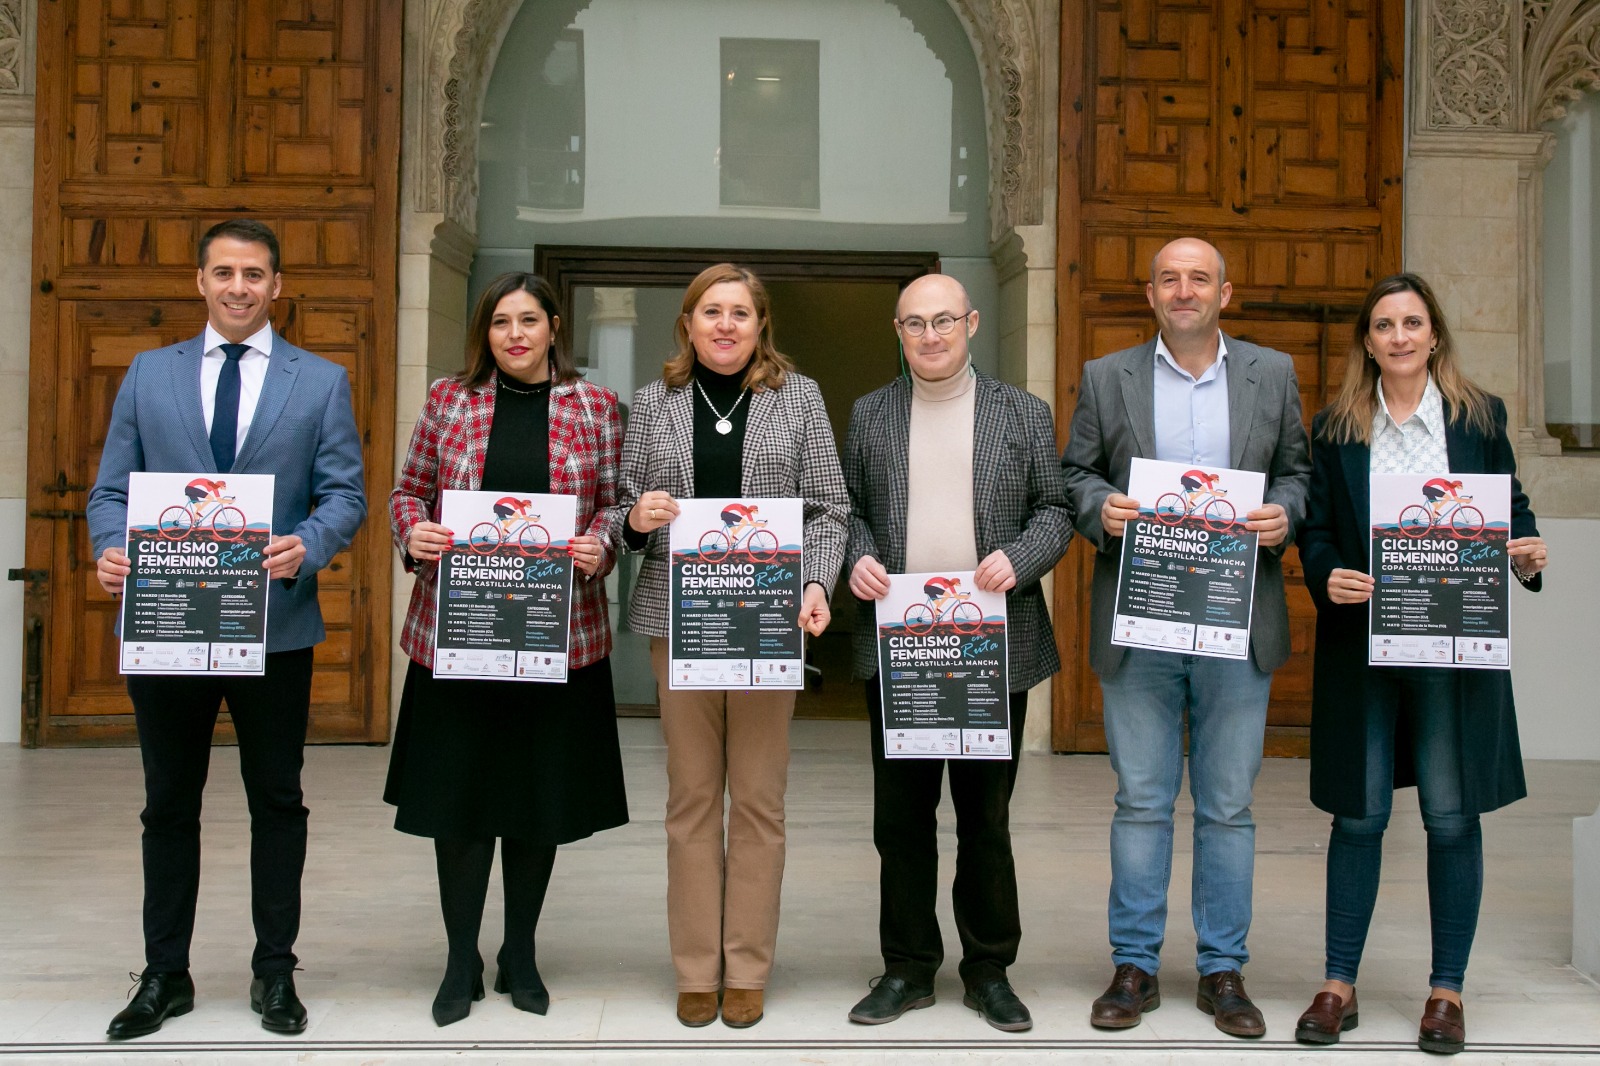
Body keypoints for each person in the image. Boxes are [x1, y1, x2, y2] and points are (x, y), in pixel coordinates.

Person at [87, 219, 367, 1039]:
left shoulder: (320, 382)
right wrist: (111, 550)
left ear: (278, 286)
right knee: (167, 804)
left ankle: (274, 973)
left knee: (277, 802)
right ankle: (164, 974)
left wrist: (307, 545)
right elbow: (111, 492)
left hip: (275, 628)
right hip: (168, 626)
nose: (239, 286)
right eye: (223, 272)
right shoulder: (148, 373)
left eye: (254, 274)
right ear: (199, 281)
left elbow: (344, 495)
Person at [1060, 237, 1310, 1038]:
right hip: (1142, 616)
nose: (1184, 289)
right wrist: (1101, 507)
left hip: (1238, 622)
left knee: (1229, 805)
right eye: (1169, 277)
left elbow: (1299, 473)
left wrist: (1286, 515)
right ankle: (1133, 964)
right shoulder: (1109, 377)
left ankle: (1221, 970)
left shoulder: (1271, 374)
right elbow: (1074, 473)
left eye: (1198, 278)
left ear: (1225, 293)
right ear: (1150, 292)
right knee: (1141, 799)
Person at [1293, 273, 1548, 1055]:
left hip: (1455, 648)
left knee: (1450, 812)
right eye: (1383, 326)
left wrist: (1527, 557)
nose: (1399, 337)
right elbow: (1319, 530)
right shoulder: (1336, 426)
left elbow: (1512, 510)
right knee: (1360, 814)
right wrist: (1325, 570)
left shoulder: (1479, 417)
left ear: (1434, 334)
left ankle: (1447, 990)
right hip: (1364, 645)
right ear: (1366, 343)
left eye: (1412, 323)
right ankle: (1339, 983)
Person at [607, 263, 847, 1029]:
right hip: (679, 627)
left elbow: (830, 510)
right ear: (687, 323)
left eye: (740, 312)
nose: (725, 325)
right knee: (690, 802)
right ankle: (694, 968)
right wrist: (638, 515)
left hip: (769, 625)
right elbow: (620, 507)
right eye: (711, 311)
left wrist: (815, 584)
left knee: (759, 803)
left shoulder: (798, 397)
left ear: (760, 323)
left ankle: (746, 966)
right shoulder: (654, 403)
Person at [385, 272, 629, 1026]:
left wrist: (602, 544)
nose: (514, 335)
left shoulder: (595, 407)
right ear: (484, 333)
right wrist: (413, 534)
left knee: (536, 799)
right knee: (458, 802)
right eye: (500, 323)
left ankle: (520, 951)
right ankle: (460, 957)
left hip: (558, 640)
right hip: (459, 635)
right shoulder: (448, 402)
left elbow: (619, 504)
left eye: (529, 320)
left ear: (555, 326)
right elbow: (408, 491)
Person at [842, 273, 1073, 1032]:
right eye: (914, 323)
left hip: (993, 646)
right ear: (898, 330)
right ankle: (907, 967)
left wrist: (1022, 557)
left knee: (986, 815)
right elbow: (848, 513)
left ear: (971, 323)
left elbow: (1057, 508)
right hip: (902, 646)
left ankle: (988, 970)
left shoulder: (1022, 412)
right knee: (901, 819)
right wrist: (859, 558)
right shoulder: (870, 414)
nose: (930, 336)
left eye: (944, 320)